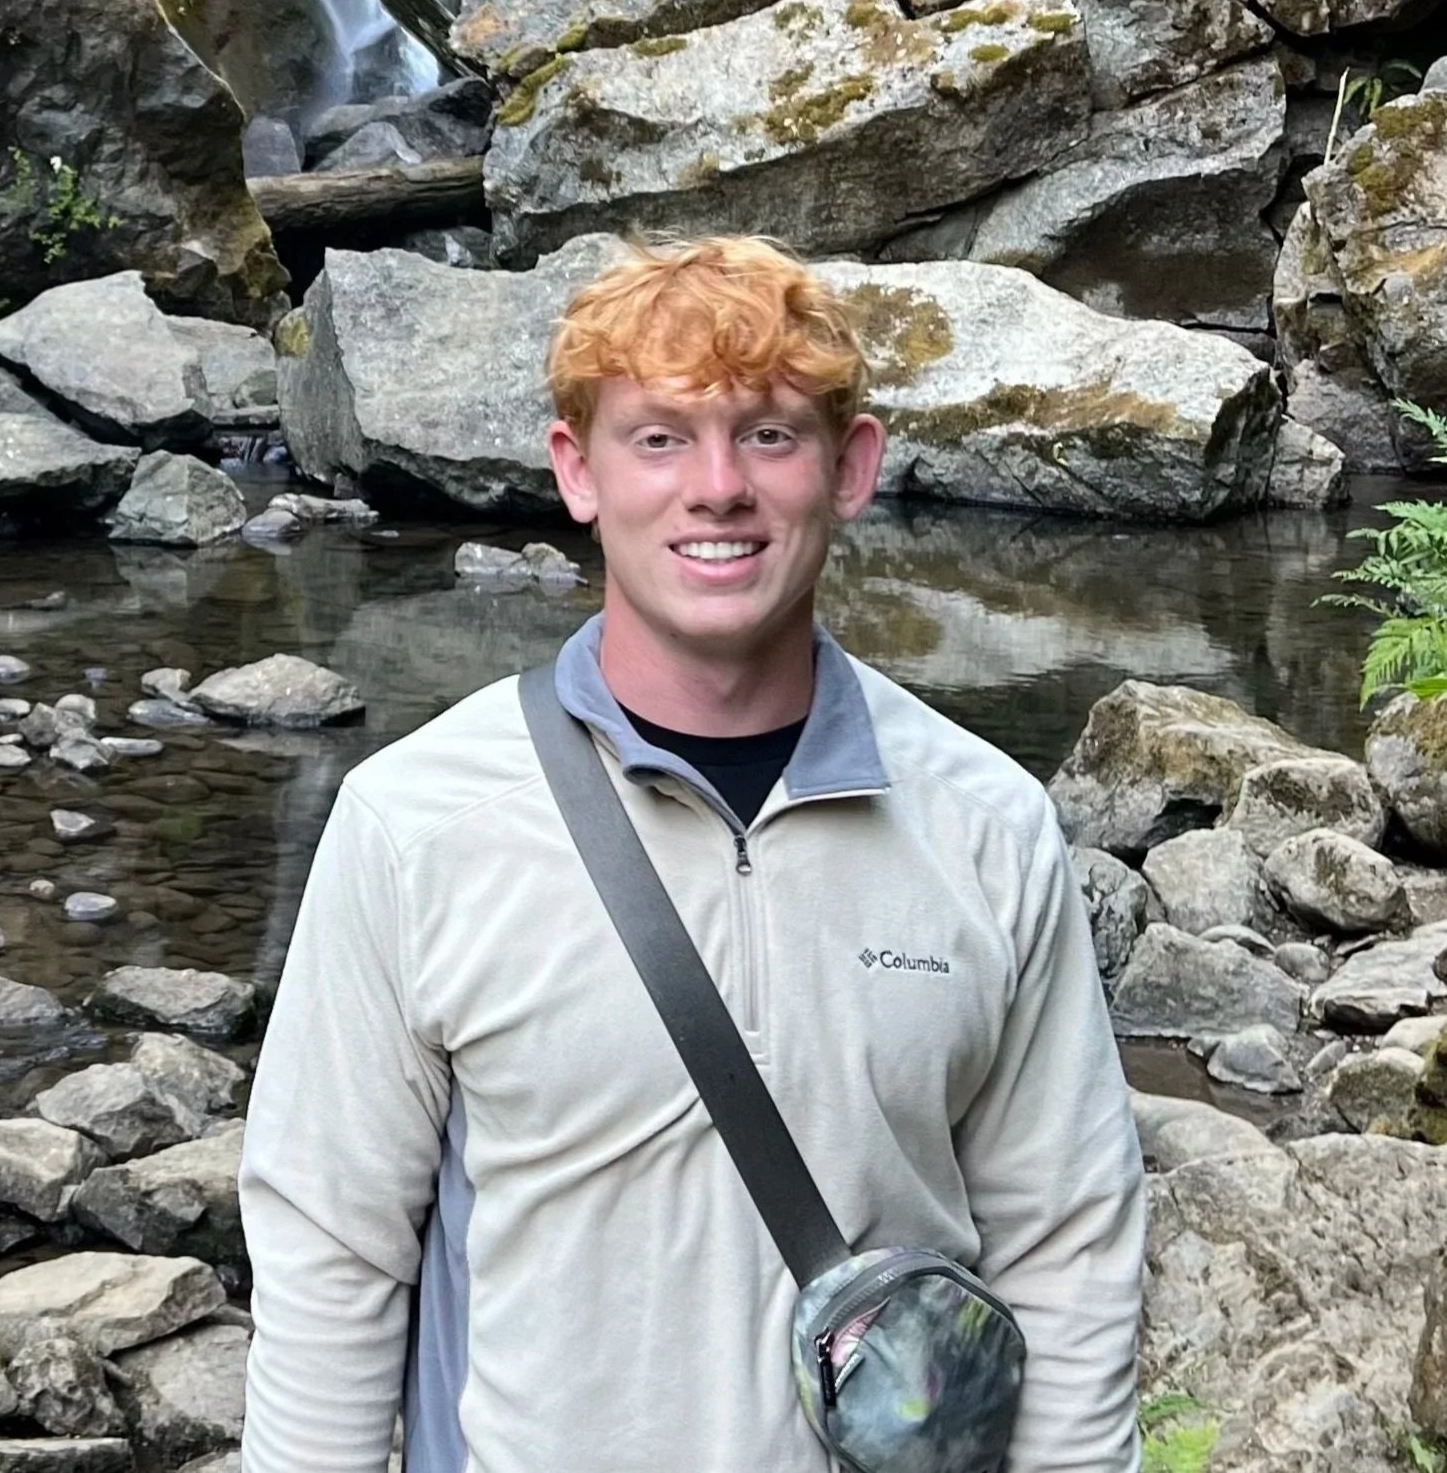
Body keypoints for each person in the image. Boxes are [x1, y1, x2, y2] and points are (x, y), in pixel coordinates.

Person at [239, 233, 1145, 1473]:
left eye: (768, 433)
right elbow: (328, 1254)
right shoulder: (417, 824)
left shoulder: (983, 825)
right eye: (659, 436)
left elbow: (1068, 1250)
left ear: (850, 465)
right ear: (577, 471)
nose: (715, 485)